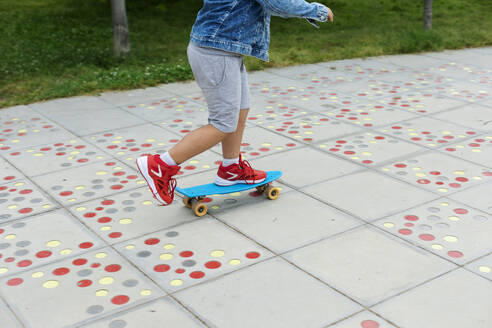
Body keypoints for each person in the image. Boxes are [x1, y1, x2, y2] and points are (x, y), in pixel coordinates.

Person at [137, 0, 334, 205]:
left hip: (223, 49)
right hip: (216, 52)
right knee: (222, 123)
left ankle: (230, 169)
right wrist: (316, 10)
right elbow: (276, 3)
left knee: (241, 109)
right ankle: (160, 165)